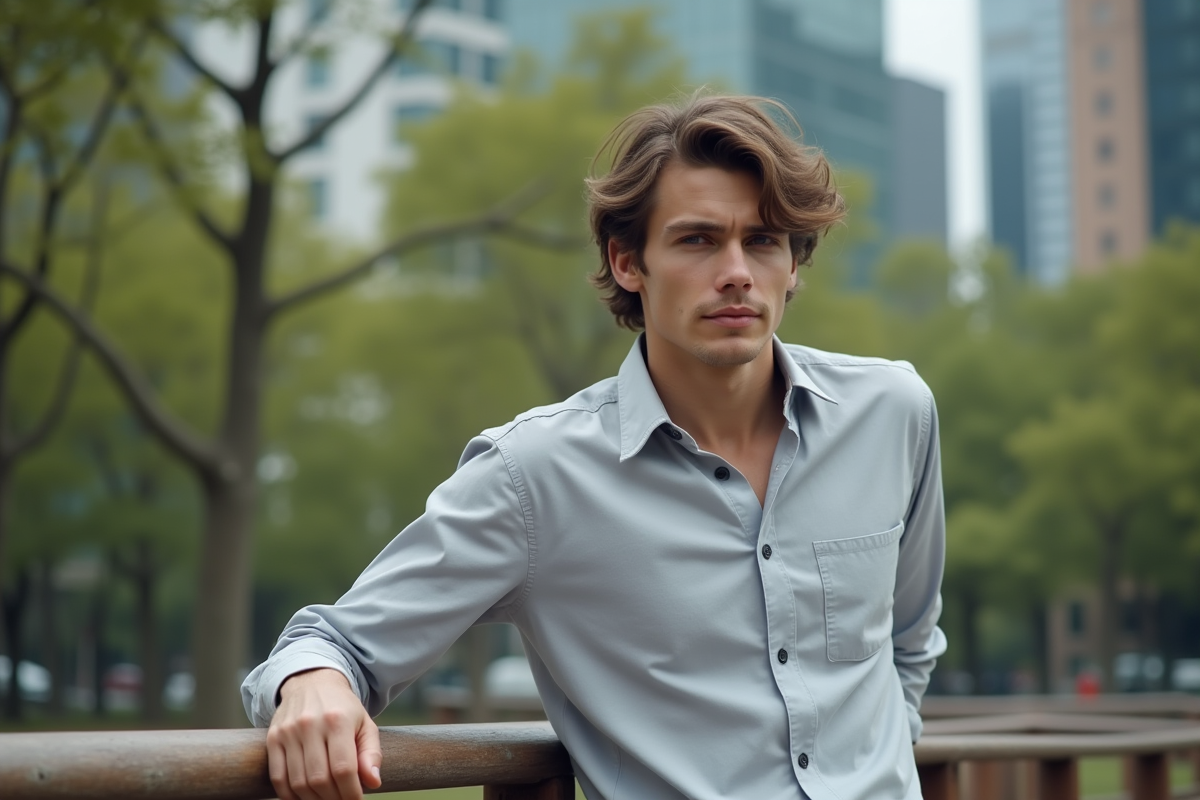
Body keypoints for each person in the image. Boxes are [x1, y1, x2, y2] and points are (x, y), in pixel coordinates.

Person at [243, 92, 947, 800]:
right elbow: (336, 642)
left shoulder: (893, 414)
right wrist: (312, 685)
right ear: (627, 262)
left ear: (793, 264)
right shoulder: (535, 477)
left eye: (762, 240)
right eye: (698, 239)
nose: (736, 270)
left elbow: (907, 641)